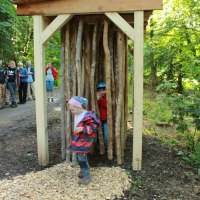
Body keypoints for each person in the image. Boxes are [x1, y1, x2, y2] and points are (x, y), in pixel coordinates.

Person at [68, 96, 100, 185]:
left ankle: (87, 176)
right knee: (78, 155)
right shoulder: (77, 113)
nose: (72, 112)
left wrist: (83, 128)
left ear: (79, 107)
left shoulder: (88, 116)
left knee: (81, 156)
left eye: (72, 110)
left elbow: (93, 127)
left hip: (85, 139)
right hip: (79, 138)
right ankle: (82, 170)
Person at [96, 82, 108, 150]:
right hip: (98, 119)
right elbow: (95, 106)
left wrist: (101, 99)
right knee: (98, 134)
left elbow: (106, 106)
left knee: (106, 134)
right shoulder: (97, 97)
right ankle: (99, 146)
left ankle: (106, 147)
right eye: (100, 90)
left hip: (105, 120)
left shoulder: (107, 97)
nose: (102, 92)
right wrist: (98, 99)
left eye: (103, 90)